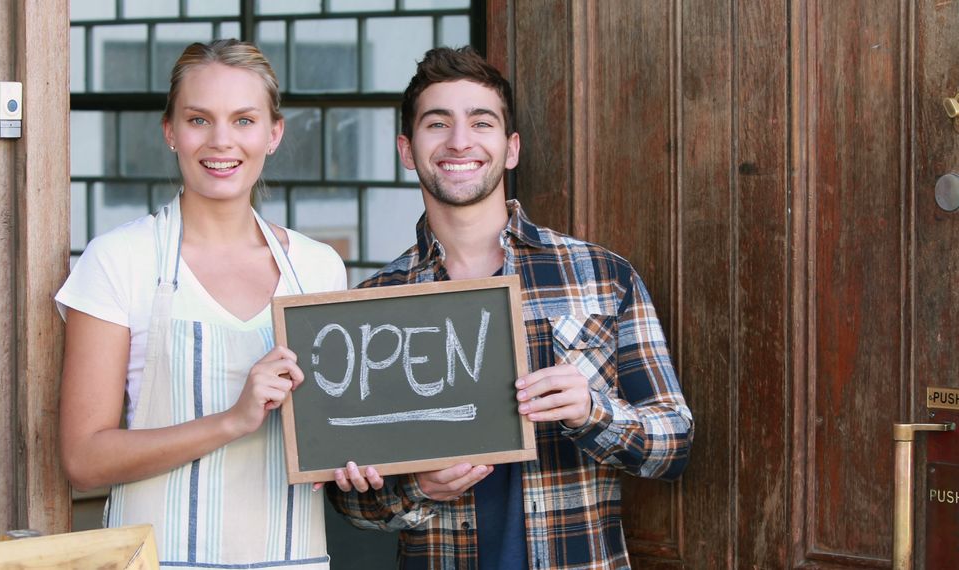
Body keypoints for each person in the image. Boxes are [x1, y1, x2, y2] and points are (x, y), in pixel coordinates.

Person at [325, 46, 694, 569]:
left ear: (510, 147)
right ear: (407, 150)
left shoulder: (601, 275)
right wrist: (416, 488)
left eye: (481, 122)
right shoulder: (373, 306)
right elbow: (347, 500)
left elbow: (675, 445)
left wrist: (594, 412)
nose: (460, 141)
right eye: (437, 123)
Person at [56, 40, 345, 570]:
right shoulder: (120, 260)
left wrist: (358, 459)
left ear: (273, 134)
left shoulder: (318, 267)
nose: (221, 141)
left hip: (291, 559)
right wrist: (233, 420)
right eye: (198, 119)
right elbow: (83, 460)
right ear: (170, 132)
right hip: (158, 561)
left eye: (243, 120)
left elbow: (330, 432)